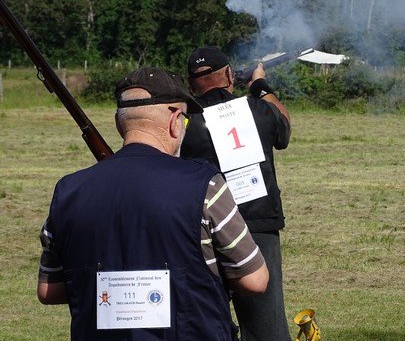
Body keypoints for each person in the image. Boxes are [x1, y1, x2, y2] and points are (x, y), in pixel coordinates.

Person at [37, 66, 268, 341]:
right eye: (184, 122)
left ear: (118, 123)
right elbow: (255, 280)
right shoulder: (206, 185)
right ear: (174, 120)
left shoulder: (67, 192)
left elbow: (49, 290)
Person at [181, 46, 291, 341]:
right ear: (229, 74)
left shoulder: (183, 122)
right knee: (266, 325)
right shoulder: (255, 107)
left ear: (191, 82)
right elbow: (284, 129)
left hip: (203, 229)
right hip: (257, 227)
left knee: (205, 320)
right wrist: (259, 84)